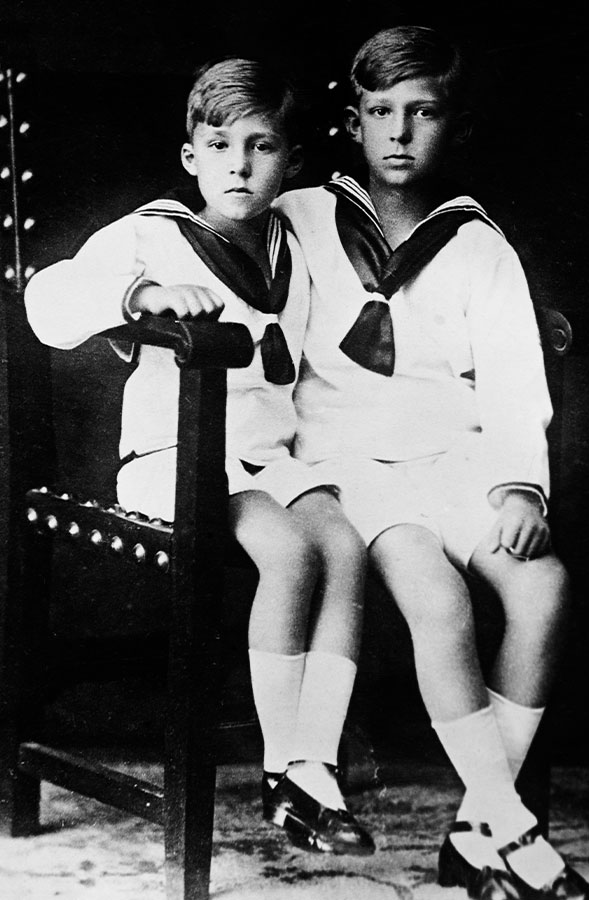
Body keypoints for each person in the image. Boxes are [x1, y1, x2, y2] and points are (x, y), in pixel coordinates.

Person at [24, 57, 375, 857]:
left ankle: (312, 761)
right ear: (191, 157)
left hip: (267, 457)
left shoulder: (296, 240)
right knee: (289, 554)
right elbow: (46, 299)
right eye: (220, 147)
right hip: (179, 457)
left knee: (346, 548)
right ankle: (284, 772)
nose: (239, 166)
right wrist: (139, 297)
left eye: (261, 146)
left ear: (290, 161)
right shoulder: (153, 234)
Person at [275, 25, 589, 900]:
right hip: (350, 464)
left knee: (544, 587)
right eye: (381, 112)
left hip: (455, 460)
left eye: (423, 113)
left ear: (456, 126)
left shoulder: (478, 246)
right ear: (353, 123)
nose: (400, 132)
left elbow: (514, 379)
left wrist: (518, 485)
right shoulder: (298, 218)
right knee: (438, 597)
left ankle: (474, 830)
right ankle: (512, 828)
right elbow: (192, 244)